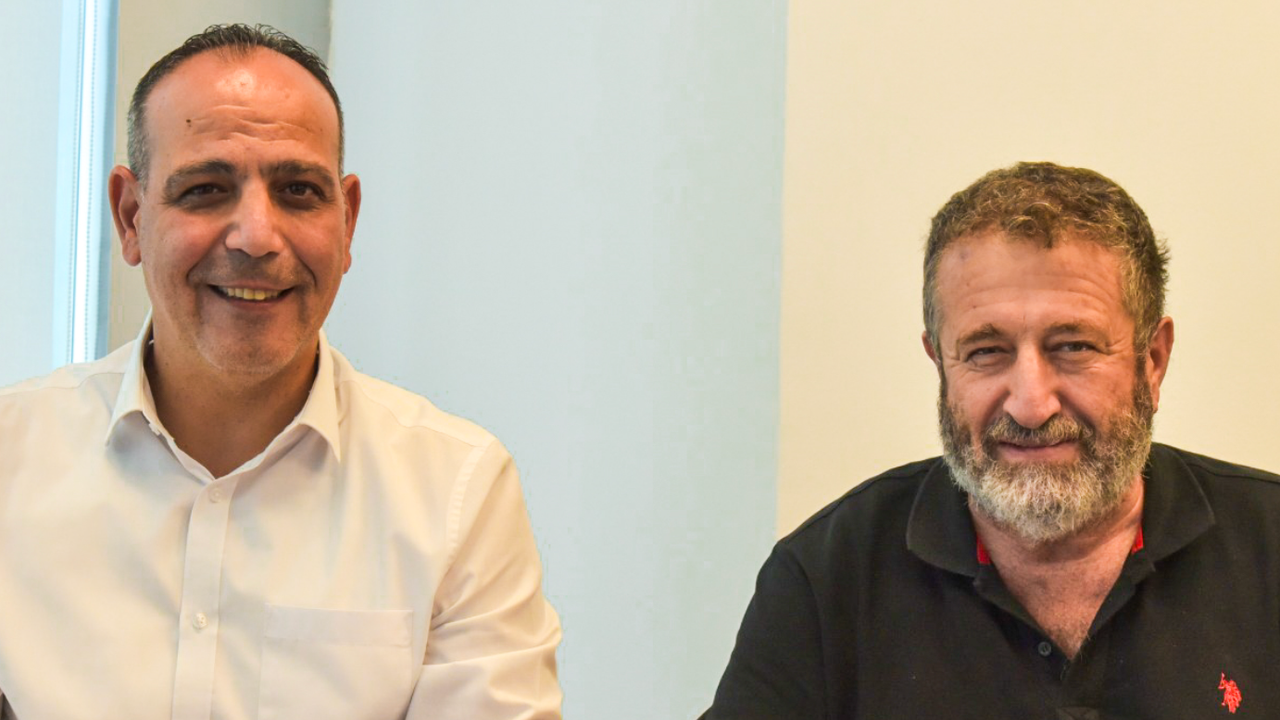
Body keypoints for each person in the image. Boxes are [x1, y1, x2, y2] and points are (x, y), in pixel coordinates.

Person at [0, 24, 561, 720]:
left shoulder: (457, 491)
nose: (257, 238)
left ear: (347, 222)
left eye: (298, 191)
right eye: (206, 190)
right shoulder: (11, 461)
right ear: (131, 217)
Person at [700, 162, 1280, 718]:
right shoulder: (825, 581)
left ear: (1152, 360)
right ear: (940, 363)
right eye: (986, 351)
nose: (1030, 405)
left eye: (1073, 346)